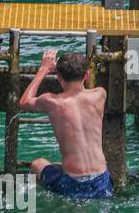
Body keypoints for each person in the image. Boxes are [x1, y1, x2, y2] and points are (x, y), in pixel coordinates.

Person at [21, 49, 113, 199]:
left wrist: (44, 69)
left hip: (71, 184)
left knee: (37, 164)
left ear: (58, 77)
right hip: (101, 182)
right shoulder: (100, 94)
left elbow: (24, 102)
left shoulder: (51, 102)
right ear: (87, 75)